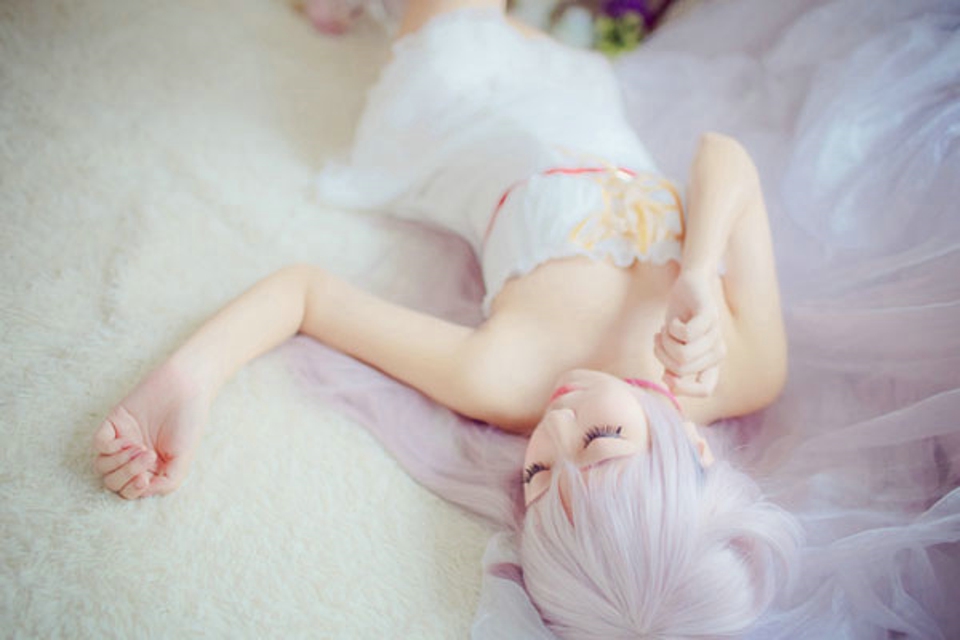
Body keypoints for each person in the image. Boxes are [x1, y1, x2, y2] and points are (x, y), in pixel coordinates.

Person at [93, 0, 800, 636]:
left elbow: (306, 295)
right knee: (549, 29)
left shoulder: (504, 377)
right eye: (601, 438)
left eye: (537, 474)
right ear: (696, 451)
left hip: (459, 106)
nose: (558, 423)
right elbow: (723, 156)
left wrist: (187, 380)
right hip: (581, 95)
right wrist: (700, 270)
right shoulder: (745, 367)